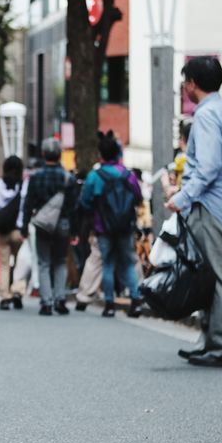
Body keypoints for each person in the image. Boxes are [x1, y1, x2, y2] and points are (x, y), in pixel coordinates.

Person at [166, 56, 222, 368]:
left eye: (184, 82)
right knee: (220, 277)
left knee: (215, 280)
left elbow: (209, 165)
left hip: (213, 206)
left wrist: (183, 197)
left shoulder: (206, 115)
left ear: (191, 83)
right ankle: (212, 342)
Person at [77, 134, 144, 318]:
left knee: (107, 263)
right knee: (129, 262)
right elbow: (138, 198)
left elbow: (85, 201)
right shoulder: (128, 175)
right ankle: (136, 300)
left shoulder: (95, 176)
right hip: (125, 227)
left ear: (101, 155)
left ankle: (109, 304)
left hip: (103, 227)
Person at [22, 138, 75, 316]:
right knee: (60, 261)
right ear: (60, 154)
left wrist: (24, 226)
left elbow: (28, 203)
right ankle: (60, 299)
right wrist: (74, 231)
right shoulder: (68, 177)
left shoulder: (35, 177)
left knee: (43, 262)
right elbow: (73, 206)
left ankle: (46, 302)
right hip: (63, 223)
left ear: (43, 154)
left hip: (42, 224)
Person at [0, 155, 26, 311]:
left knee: (3, 265)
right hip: (18, 230)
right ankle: (17, 290)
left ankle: (4, 296)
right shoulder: (23, 185)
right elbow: (26, 208)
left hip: (2, 230)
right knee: (19, 263)